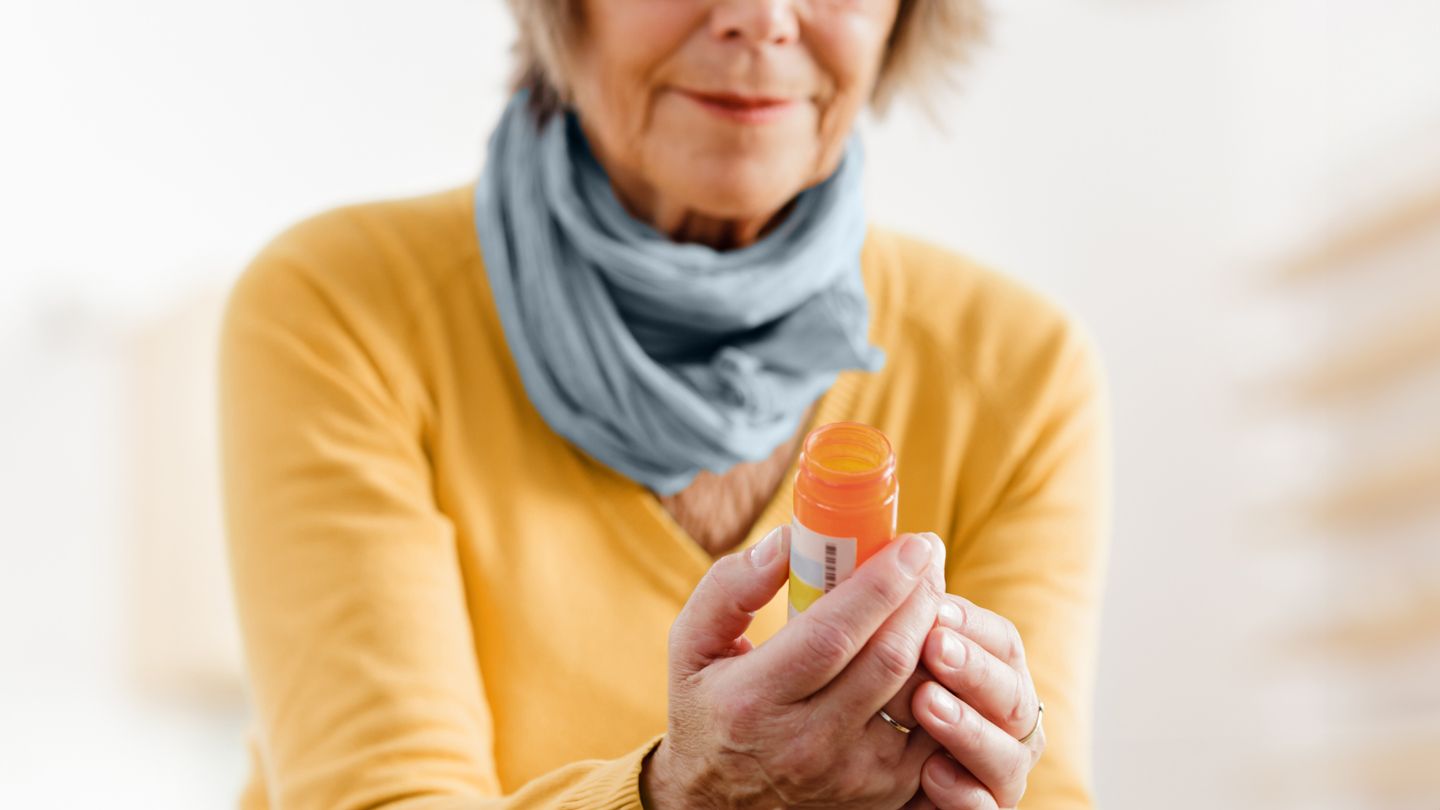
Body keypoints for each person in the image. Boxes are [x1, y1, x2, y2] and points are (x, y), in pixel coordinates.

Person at [219, 1, 1110, 807]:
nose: (762, 19)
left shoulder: (1016, 370)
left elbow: (1046, 789)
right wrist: (687, 793)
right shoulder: (343, 309)